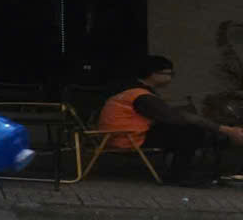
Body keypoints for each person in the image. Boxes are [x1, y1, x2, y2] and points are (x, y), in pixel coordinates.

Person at [95, 56, 243, 186]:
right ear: (152, 74)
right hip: (127, 139)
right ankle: (179, 175)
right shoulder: (141, 96)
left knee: (192, 129)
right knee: (191, 131)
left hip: (121, 136)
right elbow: (175, 118)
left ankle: (199, 171)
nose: (170, 77)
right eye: (167, 73)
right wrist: (223, 129)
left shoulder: (132, 91)